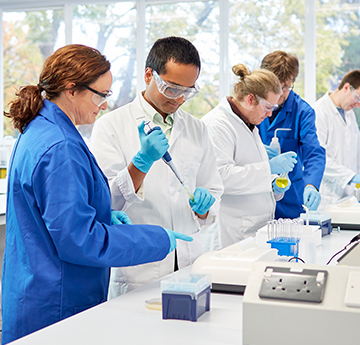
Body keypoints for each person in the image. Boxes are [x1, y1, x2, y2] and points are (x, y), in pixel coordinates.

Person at [1, 44, 192, 345]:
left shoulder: (40, 129)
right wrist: (157, 239)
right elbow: (80, 240)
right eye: (101, 95)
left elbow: (54, 213)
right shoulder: (61, 146)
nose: (104, 105)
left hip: (35, 288)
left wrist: (102, 213)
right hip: (59, 301)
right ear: (70, 89)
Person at [90, 36, 223, 298]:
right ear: (149, 75)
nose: (179, 99)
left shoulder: (197, 128)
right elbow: (105, 202)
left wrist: (207, 207)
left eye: (187, 91)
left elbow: (213, 187)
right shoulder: (111, 126)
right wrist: (141, 162)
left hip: (189, 261)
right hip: (138, 268)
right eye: (172, 88)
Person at [202, 64, 297, 247]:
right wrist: (269, 167)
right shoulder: (218, 125)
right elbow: (220, 177)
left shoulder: (247, 122)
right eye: (268, 107)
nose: (270, 115)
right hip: (231, 232)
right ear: (251, 99)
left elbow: (248, 168)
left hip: (252, 229)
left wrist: (273, 183)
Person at [257, 50, 326, 219]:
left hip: (290, 198)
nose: (280, 93)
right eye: (275, 86)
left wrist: (311, 185)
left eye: (286, 87)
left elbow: (314, 153)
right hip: (256, 192)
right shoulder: (252, 105)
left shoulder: (302, 111)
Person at [314, 70, 360, 207]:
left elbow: (355, 151)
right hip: (328, 195)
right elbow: (318, 158)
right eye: (358, 98)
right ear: (346, 87)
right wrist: (350, 176)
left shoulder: (349, 114)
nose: (358, 105)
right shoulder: (319, 111)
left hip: (348, 195)